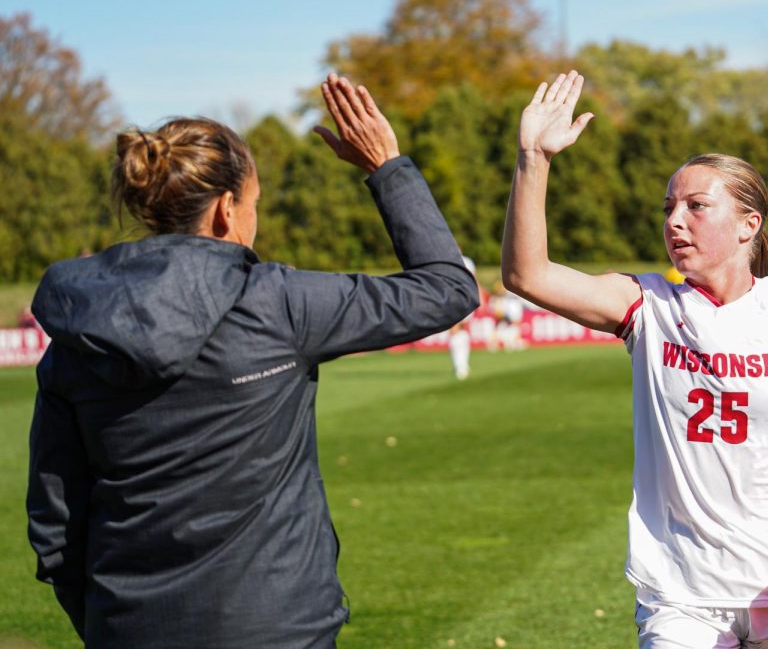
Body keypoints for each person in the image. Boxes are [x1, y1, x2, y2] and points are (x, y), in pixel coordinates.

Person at [26, 75, 479, 648]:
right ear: (226, 209)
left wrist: (107, 624)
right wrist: (384, 167)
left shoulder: (78, 332)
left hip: (128, 628)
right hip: (276, 627)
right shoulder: (278, 302)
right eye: (255, 204)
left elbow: (55, 524)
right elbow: (447, 289)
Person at [502, 71, 768, 649]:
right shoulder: (646, 303)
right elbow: (528, 275)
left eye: (697, 206)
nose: (675, 220)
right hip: (682, 600)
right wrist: (533, 159)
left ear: (749, 224)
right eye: (669, 207)